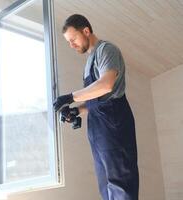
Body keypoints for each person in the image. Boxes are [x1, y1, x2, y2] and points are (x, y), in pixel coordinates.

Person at [53, 14, 139, 200]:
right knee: (106, 186)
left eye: (73, 39)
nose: (72, 45)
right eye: (68, 42)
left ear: (86, 31)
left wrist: (71, 97)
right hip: (98, 128)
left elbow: (106, 85)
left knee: (120, 183)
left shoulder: (106, 50)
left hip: (113, 123)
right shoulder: (88, 63)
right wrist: (76, 110)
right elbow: (96, 99)